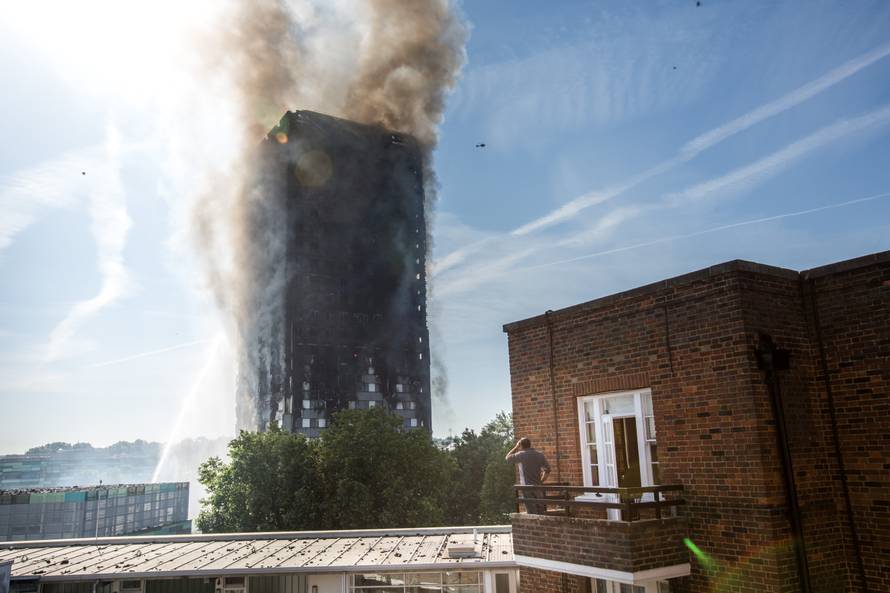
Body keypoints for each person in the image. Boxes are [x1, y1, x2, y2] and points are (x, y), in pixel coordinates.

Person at [505, 437, 551, 514]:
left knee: (531, 510)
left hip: (526, 486)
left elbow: (507, 458)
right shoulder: (539, 454)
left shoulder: (520, 455)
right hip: (537, 486)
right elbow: (547, 470)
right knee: (540, 509)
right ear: (530, 444)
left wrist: (516, 447)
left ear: (521, 445)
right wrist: (541, 480)